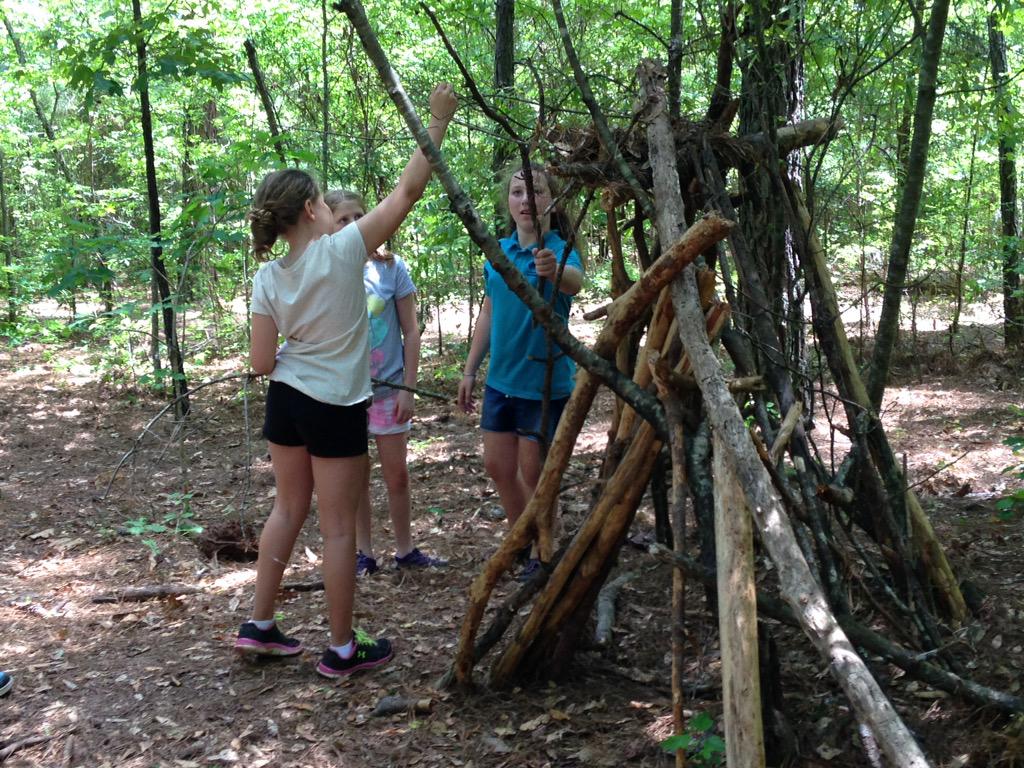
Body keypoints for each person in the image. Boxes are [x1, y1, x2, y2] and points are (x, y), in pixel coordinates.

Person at [234, 83, 456, 678]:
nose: (339, 214)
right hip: (335, 404)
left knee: (287, 509)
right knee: (337, 531)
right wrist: (435, 121)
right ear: (312, 210)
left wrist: (298, 356)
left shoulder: (268, 278)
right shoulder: (342, 251)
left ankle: (259, 625)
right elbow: (408, 191)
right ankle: (340, 649)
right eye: (328, 206)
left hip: (286, 402)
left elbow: (260, 363)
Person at [456, 163, 584, 579]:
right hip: (500, 383)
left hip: (543, 384)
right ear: (507, 202)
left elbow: (575, 281)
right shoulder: (499, 253)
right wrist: (471, 369)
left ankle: (542, 551)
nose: (527, 200)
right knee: (498, 466)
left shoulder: (560, 249)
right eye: (517, 192)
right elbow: (489, 311)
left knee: (535, 474)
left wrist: (554, 269)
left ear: (552, 199)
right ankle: (520, 536)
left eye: (537, 191)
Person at [324, 189, 446, 576]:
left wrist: (409, 388)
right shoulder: (326, 268)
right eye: (342, 219)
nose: (351, 225)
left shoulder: (391, 267)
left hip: (389, 389)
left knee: (397, 474)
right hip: (346, 394)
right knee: (357, 477)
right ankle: (364, 552)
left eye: (357, 216)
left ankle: (406, 549)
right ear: (328, 223)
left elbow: (411, 331)